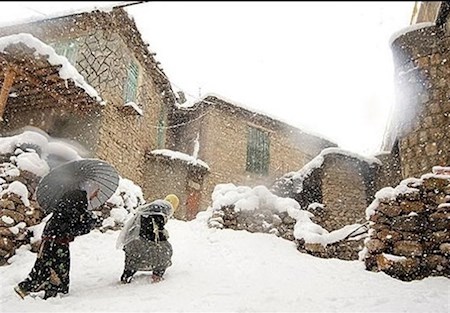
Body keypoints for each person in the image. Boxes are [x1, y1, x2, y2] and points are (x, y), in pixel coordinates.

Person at [14, 189, 97, 300]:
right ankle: (34, 289)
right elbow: (74, 228)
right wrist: (89, 223)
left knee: (46, 267)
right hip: (56, 243)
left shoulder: (67, 204)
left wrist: (88, 205)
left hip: (52, 241)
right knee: (50, 268)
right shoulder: (72, 208)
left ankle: (47, 290)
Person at [116, 194, 179, 284]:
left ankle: (127, 276)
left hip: (132, 244)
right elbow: (156, 236)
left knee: (133, 258)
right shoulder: (159, 215)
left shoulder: (146, 213)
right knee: (165, 251)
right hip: (144, 244)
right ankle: (157, 276)